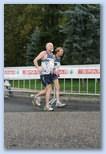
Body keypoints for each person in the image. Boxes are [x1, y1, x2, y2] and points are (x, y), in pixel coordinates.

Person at [32, 42, 54, 111]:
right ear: (46, 47)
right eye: (49, 46)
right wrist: (38, 67)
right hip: (44, 74)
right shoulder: (44, 53)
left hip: (50, 74)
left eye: (51, 46)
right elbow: (35, 60)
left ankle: (36, 96)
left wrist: (53, 70)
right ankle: (47, 106)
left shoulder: (52, 55)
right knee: (49, 88)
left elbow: (51, 65)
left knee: (46, 90)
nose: (50, 47)